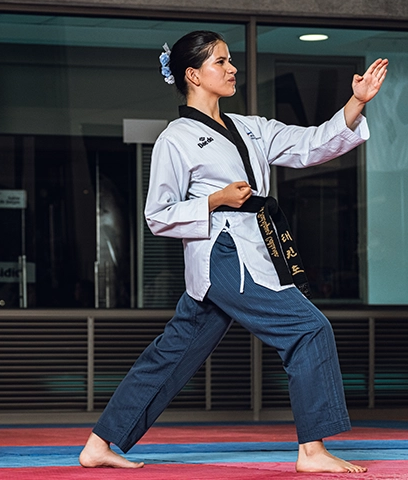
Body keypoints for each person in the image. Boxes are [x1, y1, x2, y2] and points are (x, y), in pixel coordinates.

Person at [79, 30, 388, 474]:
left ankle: (99, 443)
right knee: (308, 329)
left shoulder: (251, 127)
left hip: (254, 247)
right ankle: (312, 451)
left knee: (174, 352)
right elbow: (157, 215)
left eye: (230, 60)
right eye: (220, 62)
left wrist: (356, 103)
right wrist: (214, 200)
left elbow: (311, 144)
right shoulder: (176, 138)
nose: (232, 68)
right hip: (222, 254)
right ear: (193, 75)